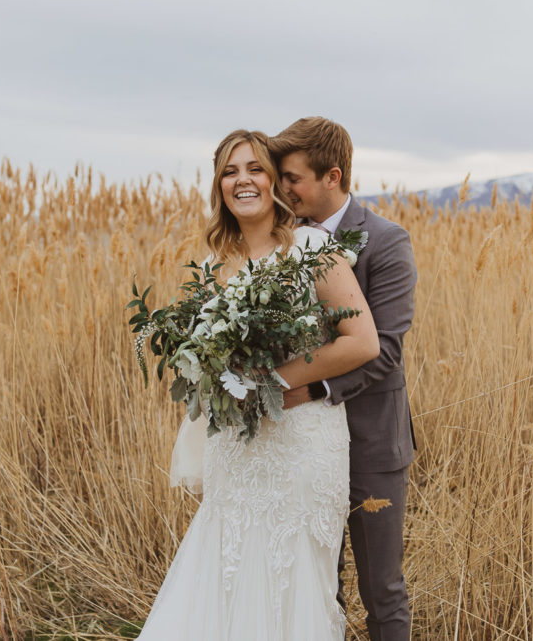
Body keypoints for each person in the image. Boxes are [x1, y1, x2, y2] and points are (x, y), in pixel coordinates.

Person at [135, 129, 380, 640]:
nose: (241, 180)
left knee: (292, 587)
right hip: (236, 451)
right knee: (224, 572)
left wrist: (270, 379)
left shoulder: (312, 249)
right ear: (218, 186)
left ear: (273, 182)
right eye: (229, 171)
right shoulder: (211, 268)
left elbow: (362, 341)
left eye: (254, 169)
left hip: (301, 444)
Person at [271, 117, 418, 641]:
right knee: (315, 585)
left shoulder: (386, 241)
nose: (283, 190)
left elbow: (387, 351)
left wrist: (314, 389)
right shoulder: (282, 245)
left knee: (382, 589)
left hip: (373, 443)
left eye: (293, 178)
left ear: (332, 176)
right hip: (306, 442)